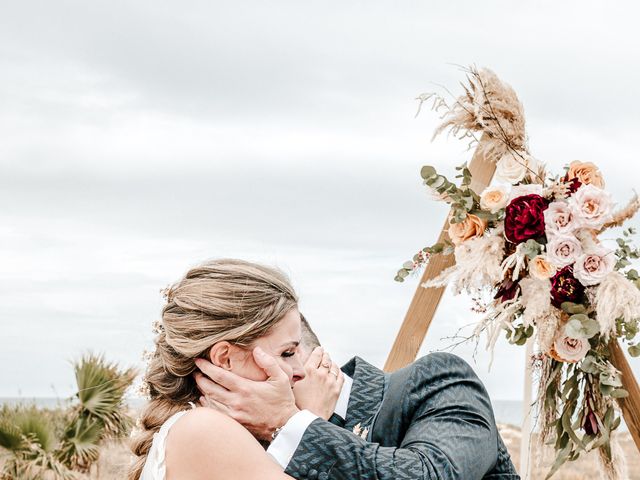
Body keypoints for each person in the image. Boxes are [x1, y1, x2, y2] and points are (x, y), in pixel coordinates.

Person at [195, 317, 521, 479]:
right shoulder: (247, 441)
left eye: (288, 352)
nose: (240, 401)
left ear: (309, 359)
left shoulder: (437, 380)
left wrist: (292, 423)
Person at [129, 259, 344, 480]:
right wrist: (310, 422)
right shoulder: (204, 429)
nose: (300, 371)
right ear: (225, 358)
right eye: (287, 353)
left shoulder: (207, 430)